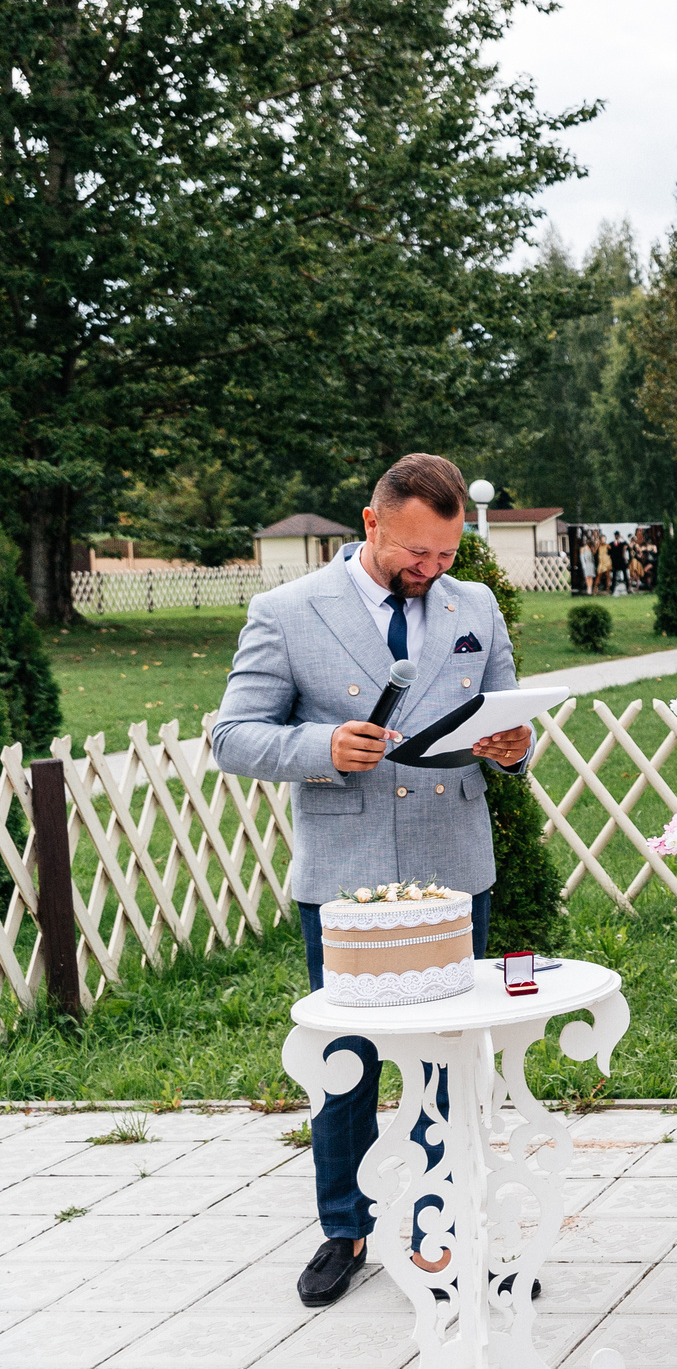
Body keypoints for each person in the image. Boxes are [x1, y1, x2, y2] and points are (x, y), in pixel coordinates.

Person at [208, 453, 538, 1310]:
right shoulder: (284, 611)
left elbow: (504, 715)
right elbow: (233, 737)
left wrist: (514, 746)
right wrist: (321, 748)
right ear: (371, 524)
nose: (432, 572)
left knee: (451, 1063)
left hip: (454, 866)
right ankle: (344, 1228)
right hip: (347, 876)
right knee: (345, 1064)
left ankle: (444, 1225)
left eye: (447, 555)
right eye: (415, 554)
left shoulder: (478, 606)